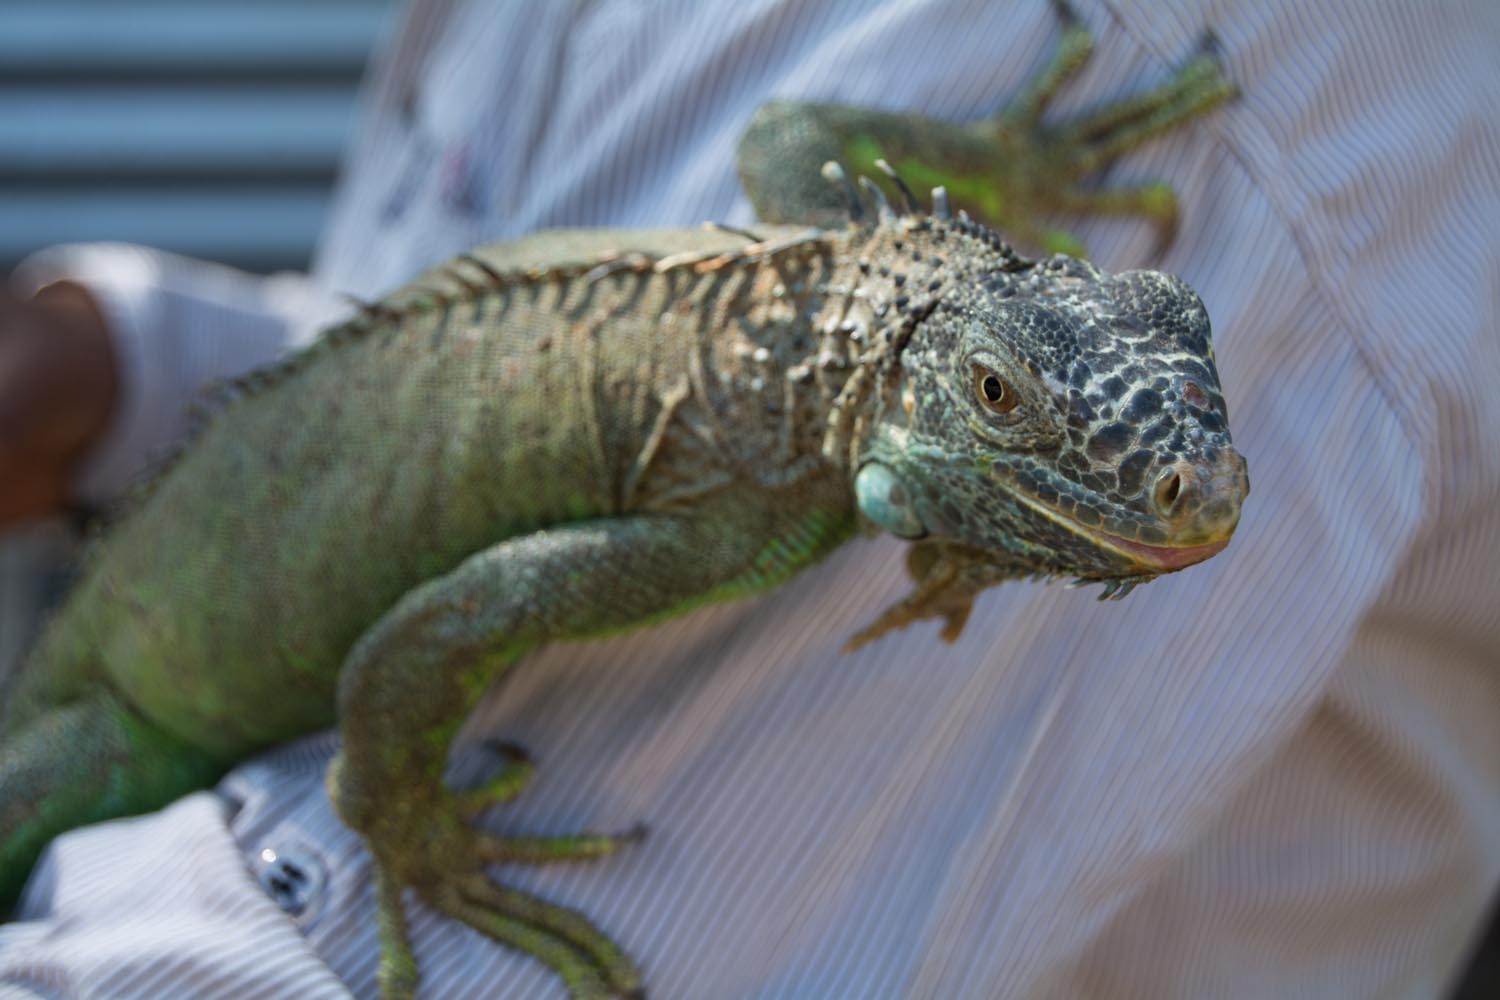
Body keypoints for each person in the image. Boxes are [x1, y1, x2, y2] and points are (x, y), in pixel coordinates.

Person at [3, 1, 1498, 996]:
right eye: (997, 406)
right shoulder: (737, 484)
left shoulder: (1194, 58)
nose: (1182, 481)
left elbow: (418, 669)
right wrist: (135, 366)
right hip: (117, 722)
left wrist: (386, 833)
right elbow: (424, 608)